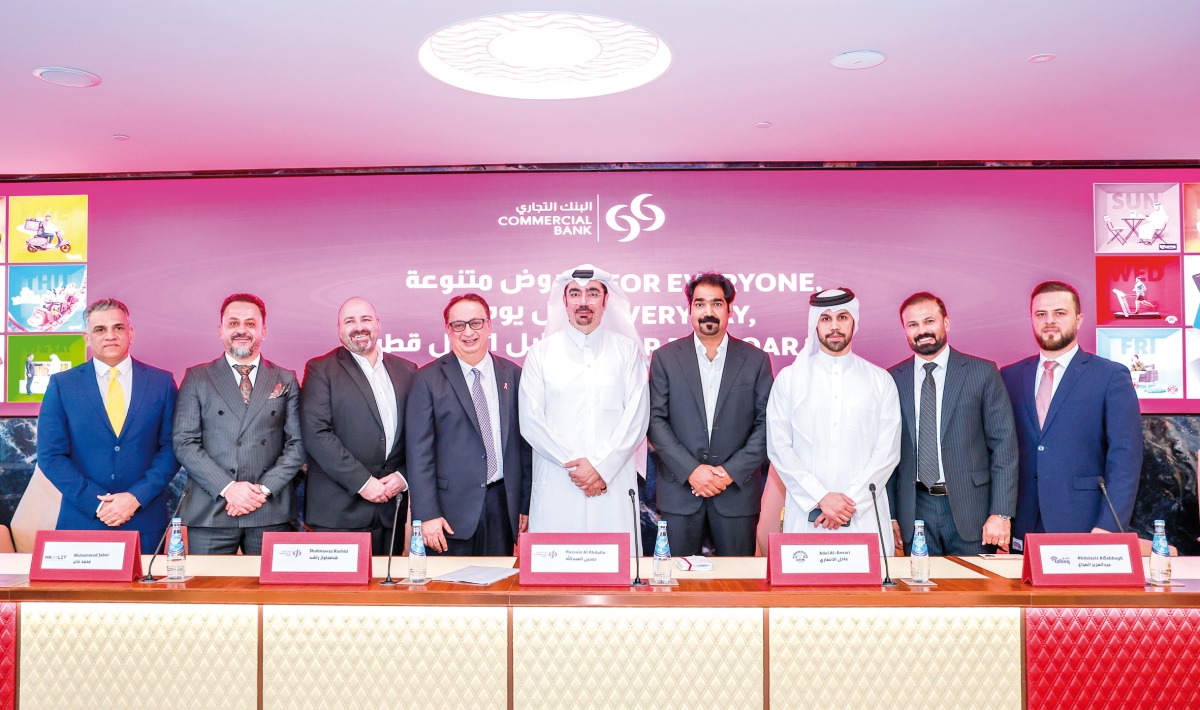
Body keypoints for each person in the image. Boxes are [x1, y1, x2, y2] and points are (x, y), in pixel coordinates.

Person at [1000, 281, 1142, 549]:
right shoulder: (1010, 376)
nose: (1049, 321)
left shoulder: (1110, 376)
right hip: (1023, 525)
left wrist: (1109, 526)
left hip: (1085, 525)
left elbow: (1125, 458)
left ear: (1079, 319)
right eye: (1041, 314)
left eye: (1060, 313)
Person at [519, 265, 650, 547]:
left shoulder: (627, 352)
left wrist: (601, 467)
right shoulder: (540, 354)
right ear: (564, 301)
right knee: (556, 567)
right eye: (575, 294)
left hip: (611, 482)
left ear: (605, 300)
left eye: (592, 293)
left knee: (616, 565)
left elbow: (636, 419)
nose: (583, 301)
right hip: (559, 481)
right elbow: (531, 421)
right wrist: (577, 469)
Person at [37, 298, 179, 553]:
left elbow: (171, 448)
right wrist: (98, 504)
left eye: (118, 327)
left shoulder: (161, 382)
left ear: (130, 333)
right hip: (82, 521)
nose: (110, 335)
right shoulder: (62, 385)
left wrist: (136, 497)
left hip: (144, 520)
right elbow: (51, 455)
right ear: (87, 337)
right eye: (100, 329)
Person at [765, 288, 901, 551]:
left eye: (842, 317)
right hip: (808, 515)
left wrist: (848, 503)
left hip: (863, 516)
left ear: (854, 322)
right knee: (806, 578)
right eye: (826, 318)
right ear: (815, 324)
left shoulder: (880, 380)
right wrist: (820, 497)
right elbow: (779, 449)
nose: (835, 326)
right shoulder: (790, 380)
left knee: (869, 579)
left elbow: (888, 452)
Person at [648, 272, 772, 556]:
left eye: (717, 303)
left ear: (730, 309)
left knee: (738, 579)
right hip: (680, 492)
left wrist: (728, 473)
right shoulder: (665, 358)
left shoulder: (755, 360)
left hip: (736, 493)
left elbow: (766, 425)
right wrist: (692, 471)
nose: (708, 311)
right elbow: (655, 421)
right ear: (689, 309)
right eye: (700, 303)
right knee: (678, 578)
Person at [886, 292, 1018, 556]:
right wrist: (889, 514)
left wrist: (1001, 512)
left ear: (946, 323)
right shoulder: (891, 379)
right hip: (914, 509)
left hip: (972, 510)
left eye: (929, 321)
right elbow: (886, 454)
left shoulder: (982, 372)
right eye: (913, 325)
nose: (922, 331)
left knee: (973, 584)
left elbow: (1004, 446)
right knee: (921, 583)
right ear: (905, 331)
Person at [173, 293, 305, 554]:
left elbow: (297, 444)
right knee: (208, 583)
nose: (241, 330)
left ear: (263, 331)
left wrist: (262, 491)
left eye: (250, 323)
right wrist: (229, 489)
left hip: (269, 509)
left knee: (270, 583)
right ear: (221, 330)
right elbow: (184, 442)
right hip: (211, 509)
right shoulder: (197, 377)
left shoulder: (286, 378)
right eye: (233, 323)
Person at [406, 294, 531, 556]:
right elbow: (419, 453)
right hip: (448, 516)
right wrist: (426, 515)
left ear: (489, 325)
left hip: (502, 507)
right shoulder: (426, 379)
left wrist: (524, 504)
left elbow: (524, 446)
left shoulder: (513, 374)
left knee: (498, 581)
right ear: (448, 330)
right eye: (458, 325)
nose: (468, 332)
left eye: (475, 323)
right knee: (448, 583)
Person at [300, 297, 415, 555]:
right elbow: (316, 434)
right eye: (350, 321)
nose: (359, 327)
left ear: (378, 324)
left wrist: (403, 476)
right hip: (339, 513)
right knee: (339, 584)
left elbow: (418, 435)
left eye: (366, 319)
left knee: (386, 582)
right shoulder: (320, 369)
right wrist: (364, 483)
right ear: (339, 329)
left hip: (390, 510)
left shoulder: (407, 370)